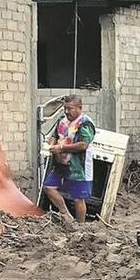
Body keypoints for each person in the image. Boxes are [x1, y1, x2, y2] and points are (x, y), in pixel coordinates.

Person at [43, 95, 95, 223]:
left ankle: (80, 226)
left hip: (78, 166)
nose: (67, 112)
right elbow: (55, 135)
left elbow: (83, 145)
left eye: (70, 109)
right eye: (65, 109)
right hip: (61, 164)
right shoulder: (62, 120)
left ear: (79, 108)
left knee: (78, 198)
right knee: (49, 187)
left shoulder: (85, 123)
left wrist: (61, 148)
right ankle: (66, 214)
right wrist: (50, 145)